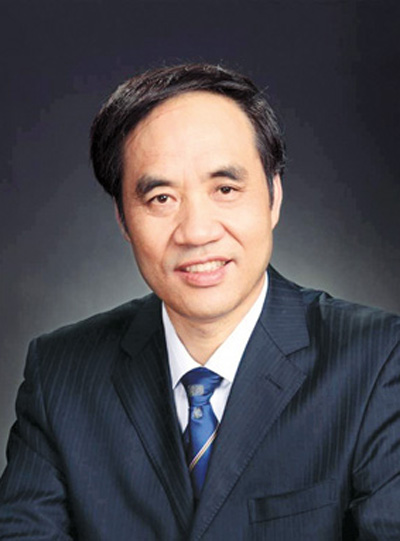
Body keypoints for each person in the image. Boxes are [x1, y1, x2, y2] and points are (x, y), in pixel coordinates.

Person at [0, 63, 399, 540]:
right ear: (123, 219)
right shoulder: (60, 374)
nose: (196, 232)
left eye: (225, 189)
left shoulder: (377, 360)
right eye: (161, 198)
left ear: (273, 196)